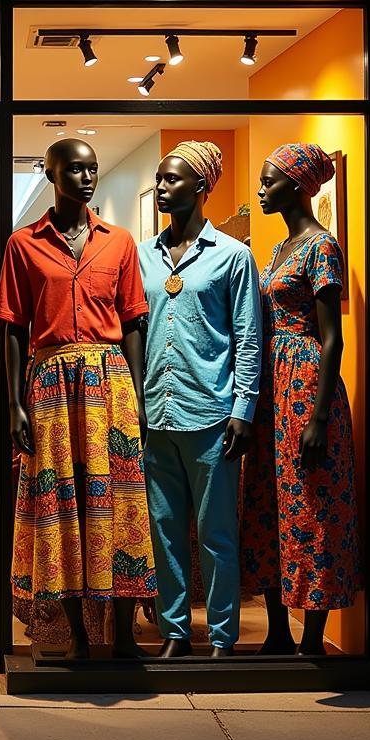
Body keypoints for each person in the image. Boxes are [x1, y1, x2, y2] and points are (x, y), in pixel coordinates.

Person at [0, 138, 156, 659]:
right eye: (74, 169)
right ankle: (78, 637)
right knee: (60, 505)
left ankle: (124, 635)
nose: (86, 179)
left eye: (93, 169)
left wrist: (137, 388)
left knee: (122, 503)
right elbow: (13, 327)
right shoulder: (24, 244)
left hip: (110, 384)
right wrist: (14, 402)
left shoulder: (120, 242)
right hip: (52, 386)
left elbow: (133, 322)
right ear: (51, 173)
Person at [138, 140, 262, 658]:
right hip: (156, 413)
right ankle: (174, 632)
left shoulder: (233, 257)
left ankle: (223, 637)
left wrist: (243, 409)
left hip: (212, 413)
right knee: (164, 534)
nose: (162, 188)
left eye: (173, 179)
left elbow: (248, 337)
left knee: (216, 536)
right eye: (161, 180)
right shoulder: (143, 255)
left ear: (202, 187)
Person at [241, 143, 360, 656]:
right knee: (267, 501)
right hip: (272, 381)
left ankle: (312, 636)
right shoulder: (278, 249)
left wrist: (319, 414)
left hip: (306, 380)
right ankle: (276, 630)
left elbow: (332, 335)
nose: (263, 190)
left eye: (271, 181)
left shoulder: (320, 246)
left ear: (298, 185)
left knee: (313, 506)